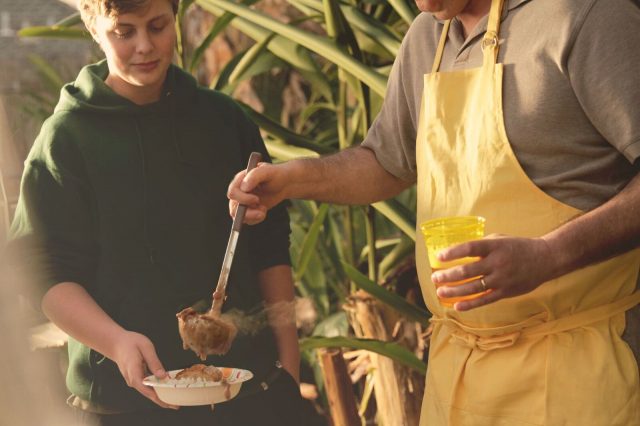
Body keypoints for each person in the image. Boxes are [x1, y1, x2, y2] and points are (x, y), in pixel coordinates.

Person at [228, 0, 640, 424]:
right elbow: (386, 163)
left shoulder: (587, 16)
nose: (420, 4)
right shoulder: (428, 35)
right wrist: (293, 180)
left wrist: (551, 255)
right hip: (457, 382)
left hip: (578, 374)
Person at [8, 0, 310, 425]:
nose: (145, 46)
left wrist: (288, 367)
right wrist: (116, 342)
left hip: (247, 391)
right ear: (94, 30)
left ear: (176, 20)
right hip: (122, 404)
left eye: (157, 26)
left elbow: (270, 245)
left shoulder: (223, 121)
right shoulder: (65, 139)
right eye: (124, 32)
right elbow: (45, 273)